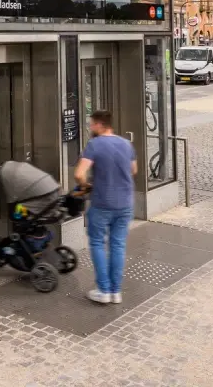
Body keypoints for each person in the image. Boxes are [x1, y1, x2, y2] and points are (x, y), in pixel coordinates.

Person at [75, 109, 136, 305]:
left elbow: (79, 173)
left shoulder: (94, 144)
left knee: (97, 244)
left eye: (92, 124)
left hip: (102, 203)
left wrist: (86, 185)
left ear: (100, 125)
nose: (90, 127)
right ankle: (115, 292)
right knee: (118, 245)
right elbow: (133, 170)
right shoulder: (126, 144)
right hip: (125, 203)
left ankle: (103, 289)